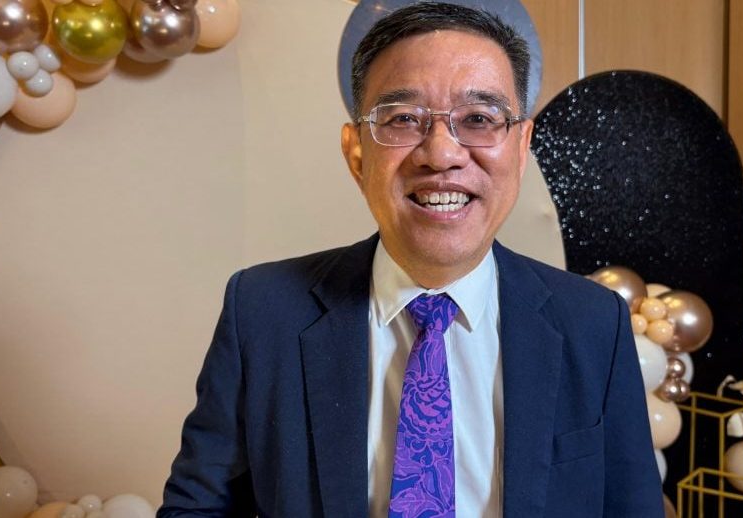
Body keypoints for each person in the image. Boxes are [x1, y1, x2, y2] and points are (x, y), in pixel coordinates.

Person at [158, 3, 663, 517]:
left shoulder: (594, 324)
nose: (441, 154)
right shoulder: (263, 313)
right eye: (403, 119)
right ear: (356, 154)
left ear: (520, 148)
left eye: (479, 119)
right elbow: (196, 510)